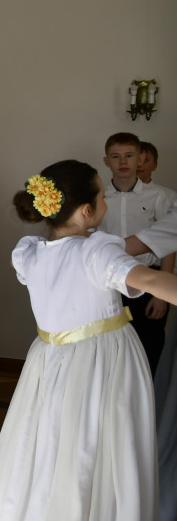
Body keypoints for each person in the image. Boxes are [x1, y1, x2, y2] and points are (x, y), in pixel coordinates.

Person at [0, 159, 177, 521]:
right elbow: (146, 276)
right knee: (101, 443)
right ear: (86, 210)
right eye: (101, 195)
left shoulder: (31, 252)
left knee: (49, 442)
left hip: (49, 361)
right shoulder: (98, 251)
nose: (105, 200)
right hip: (103, 360)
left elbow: (109, 253)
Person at [99, 132, 174, 375]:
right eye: (116, 156)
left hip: (148, 280)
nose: (123, 162)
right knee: (109, 348)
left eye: (129, 156)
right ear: (106, 161)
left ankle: (149, 407)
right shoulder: (97, 197)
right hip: (108, 282)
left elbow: (169, 244)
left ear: (140, 159)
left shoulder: (160, 196)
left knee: (148, 347)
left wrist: (161, 295)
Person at [137, 141, 177, 206]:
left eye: (145, 160)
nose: (139, 165)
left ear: (154, 165)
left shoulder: (170, 197)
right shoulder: (115, 196)